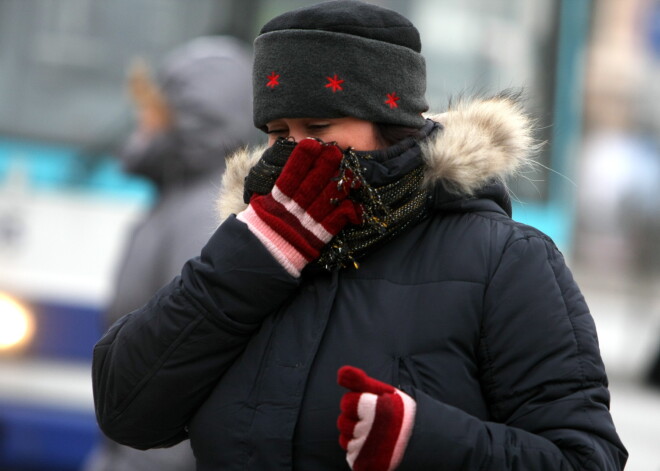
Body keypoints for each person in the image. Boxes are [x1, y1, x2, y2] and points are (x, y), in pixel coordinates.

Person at [92, 2, 628, 470]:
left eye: (319, 129)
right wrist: (250, 261)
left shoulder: (505, 261)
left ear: (389, 124)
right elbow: (127, 411)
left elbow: (584, 456)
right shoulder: (250, 240)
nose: (293, 152)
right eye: (278, 134)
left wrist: (424, 443)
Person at [85, 36, 253, 471]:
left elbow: (181, 362)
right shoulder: (180, 198)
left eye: (152, 106)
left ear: (192, 115)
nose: (141, 119)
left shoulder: (204, 213)